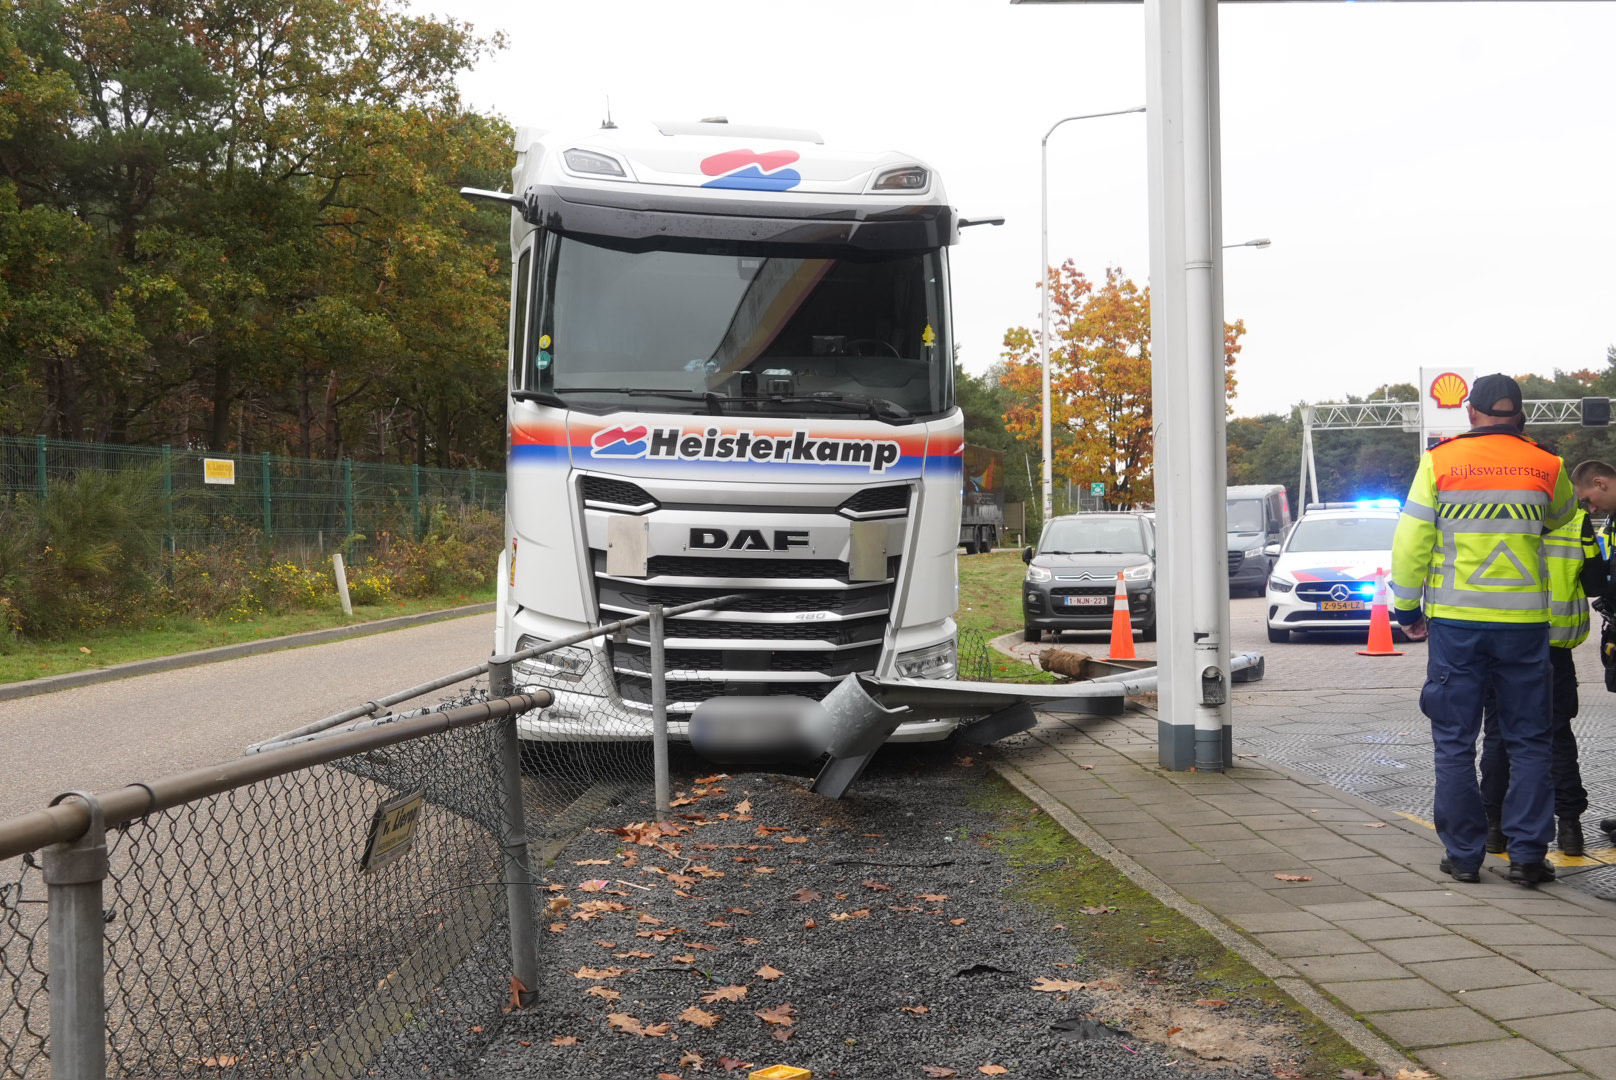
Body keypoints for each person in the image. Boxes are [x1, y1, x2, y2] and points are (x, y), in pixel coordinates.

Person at [1389, 373, 1575, 886]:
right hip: (1524, 625)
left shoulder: (1439, 462)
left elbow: (1411, 542)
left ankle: (1466, 856)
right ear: (1520, 414)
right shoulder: (1549, 464)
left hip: (1457, 625)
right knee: (1530, 740)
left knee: (1454, 740)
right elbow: (1562, 518)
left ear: (1469, 413)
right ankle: (1528, 857)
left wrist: (1406, 610)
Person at [1477, 504, 1601, 858]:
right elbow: (1594, 582)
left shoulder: (1491, 511)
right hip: (1555, 646)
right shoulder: (1576, 519)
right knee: (1556, 733)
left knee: (1499, 733)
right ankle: (1570, 828)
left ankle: (1494, 827)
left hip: (1506, 639)